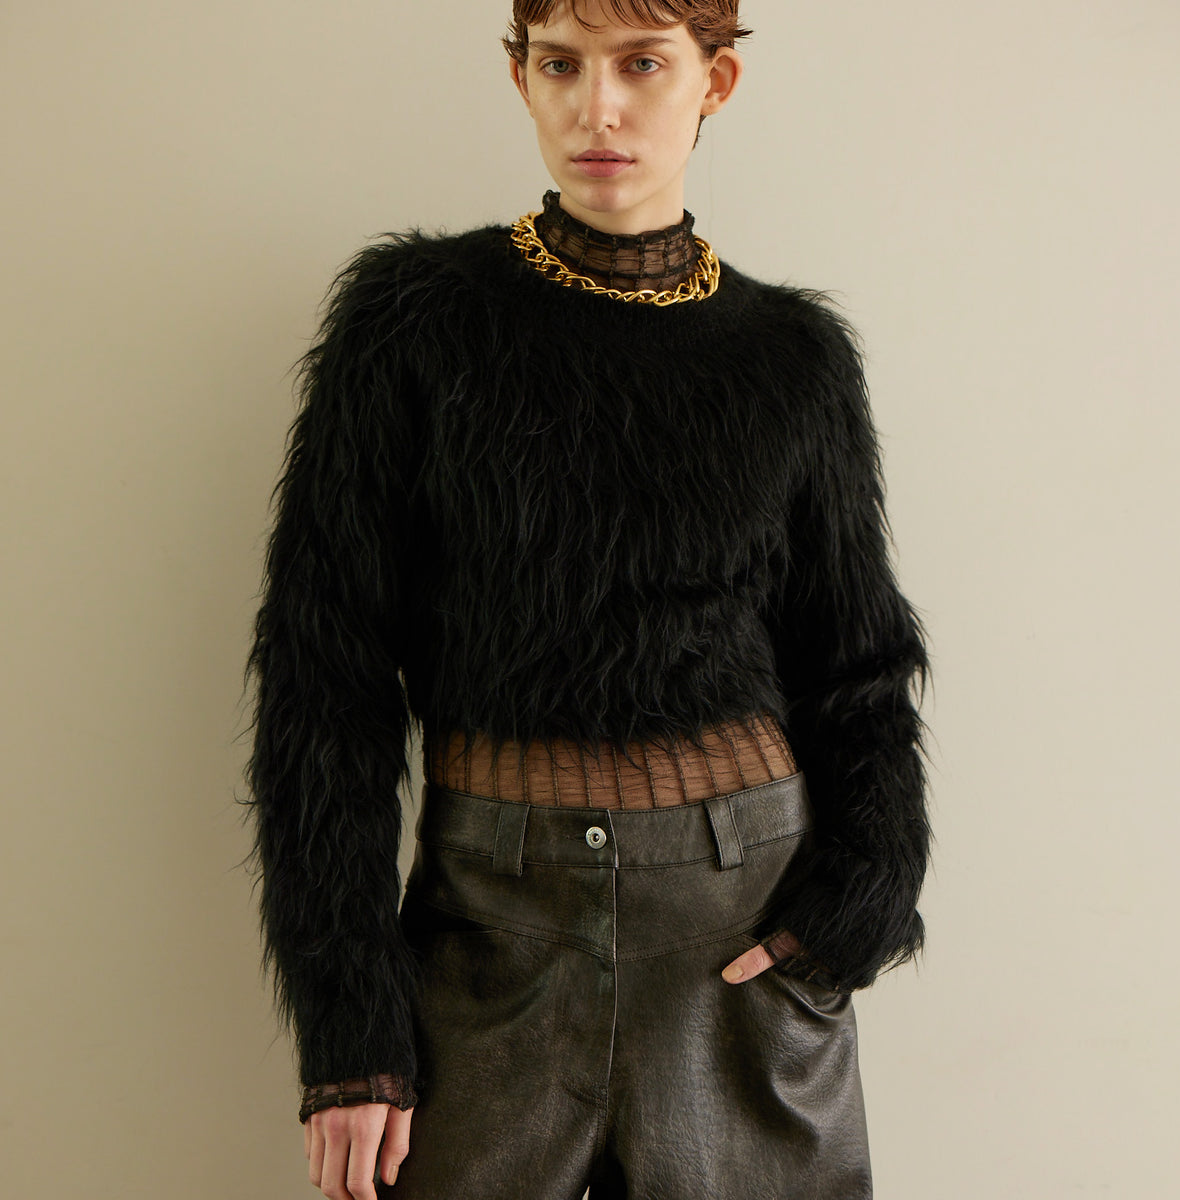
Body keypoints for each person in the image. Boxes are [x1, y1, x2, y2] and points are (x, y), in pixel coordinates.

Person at [243, 1, 932, 1197]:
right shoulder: (415, 321)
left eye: (642, 64)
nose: (596, 107)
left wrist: (863, 895)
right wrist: (350, 1025)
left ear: (716, 82)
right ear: (521, 77)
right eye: (560, 64)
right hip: (488, 929)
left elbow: (856, 668)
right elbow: (325, 680)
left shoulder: (794, 356)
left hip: (743, 930)